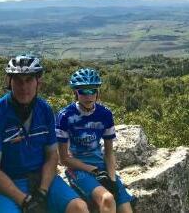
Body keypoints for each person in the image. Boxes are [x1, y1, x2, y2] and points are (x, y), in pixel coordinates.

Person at [0, 54, 88, 213]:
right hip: (8, 183)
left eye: (29, 80)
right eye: (18, 81)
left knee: (79, 208)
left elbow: (52, 156)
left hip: (42, 179)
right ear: (9, 82)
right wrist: (24, 200)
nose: (24, 87)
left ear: (38, 82)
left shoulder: (44, 110)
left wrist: (42, 192)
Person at [56, 68, 134, 213]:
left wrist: (111, 179)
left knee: (126, 210)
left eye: (92, 90)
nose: (88, 96)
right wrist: (94, 170)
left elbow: (109, 153)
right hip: (78, 169)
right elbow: (64, 158)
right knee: (107, 199)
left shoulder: (105, 114)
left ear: (98, 92)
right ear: (75, 93)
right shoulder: (65, 116)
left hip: (102, 166)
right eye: (83, 91)